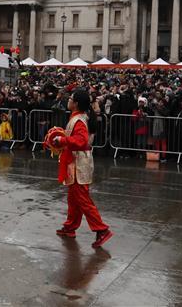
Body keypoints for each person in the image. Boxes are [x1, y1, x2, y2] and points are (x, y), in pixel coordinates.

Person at [49, 88, 112, 249]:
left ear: (75, 103)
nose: (68, 100)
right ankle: (70, 226)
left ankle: (101, 229)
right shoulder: (78, 117)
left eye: (70, 98)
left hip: (79, 164)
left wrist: (63, 140)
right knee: (74, 197)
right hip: (76, 163)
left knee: (83, 199)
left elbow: (81, 141)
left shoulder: (79, 120)